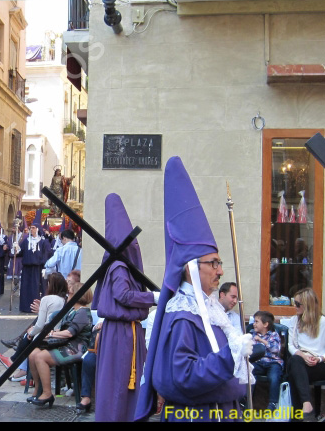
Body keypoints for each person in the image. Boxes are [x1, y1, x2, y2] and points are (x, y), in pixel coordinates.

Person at [135, 156, 254, 422]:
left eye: (220, 263)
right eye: (213, 263)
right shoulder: (183, 318)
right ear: (189, 268)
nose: (220, 271)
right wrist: (229, 356)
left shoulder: (211, 311)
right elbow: (183, 376)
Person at [93, 193, 159, 422]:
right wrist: (152, 297)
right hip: (121, 333)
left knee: (122, 382)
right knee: (119, 382)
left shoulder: (119, 265)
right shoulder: (120, 266)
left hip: (126, 331)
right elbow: (122, 295)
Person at [27, 282, 93, 407]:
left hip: (76, 348)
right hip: (65, 344)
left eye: (70, 292)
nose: (68, 295)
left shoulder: (83, 312)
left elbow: (69, 333)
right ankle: (38, 390)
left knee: (41, 357)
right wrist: (54, 333)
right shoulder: (73, 310)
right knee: (33, 354)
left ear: (77, 295)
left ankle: (47, 394)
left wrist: (51, 334)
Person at [0, 272, 68, 383]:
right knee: (30, 334)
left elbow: (41, 324)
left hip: (47, 335)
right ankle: (20, 368)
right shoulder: (63, 300)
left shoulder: (47, 299)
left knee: (29, 336)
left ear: (50, 285)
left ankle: (18, 365)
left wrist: (31, 332)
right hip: (56, 334)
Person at [286, 287, 325, 421]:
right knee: (295, 362)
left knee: (294, 372)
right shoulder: (294, 321)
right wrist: (303, 356)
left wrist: (319, 358)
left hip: (320, 364)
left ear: (307, 305)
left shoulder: (323, 322)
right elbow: (290, 345)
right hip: (301, 361)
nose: (294, 307)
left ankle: (297, 416)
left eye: (297, 304)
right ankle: (306, 404)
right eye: (294, 303)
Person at [18, 210, 52, 313]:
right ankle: (25, 307)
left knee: (37, 289)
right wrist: (15, 249)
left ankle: (37, 308)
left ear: (38, 229)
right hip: (27, 269)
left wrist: (43, 264)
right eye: (31, 227)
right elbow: (20, 253)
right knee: (25, 288)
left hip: (38, 268)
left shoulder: (43, 242)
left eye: (33, 228)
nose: (31, 229)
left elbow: (48, 253)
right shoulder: (25, 241)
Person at [249, 310, 283, 411]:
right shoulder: (252, 335)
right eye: (254, 321)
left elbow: (275, 349)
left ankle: (273, 403)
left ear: (265, 324)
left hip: (273, 362)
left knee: (274, 377)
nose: (254, 324)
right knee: (249, 372)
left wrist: (261, 341)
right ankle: (246, 400)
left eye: (256, 322)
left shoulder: (273, 335)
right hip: (258, 362)